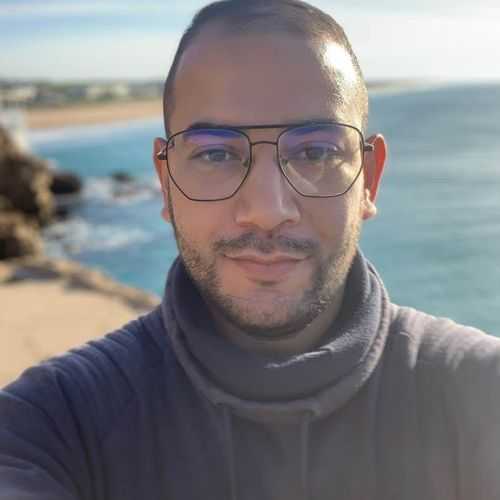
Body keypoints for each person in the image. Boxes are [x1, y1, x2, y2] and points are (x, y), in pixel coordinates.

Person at [1, 1, 499, 499]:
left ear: (368, 179)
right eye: (216, 153)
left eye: (316, 152)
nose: (266, 210)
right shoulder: (48, 424)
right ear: (166, 182)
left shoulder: (481, 391)